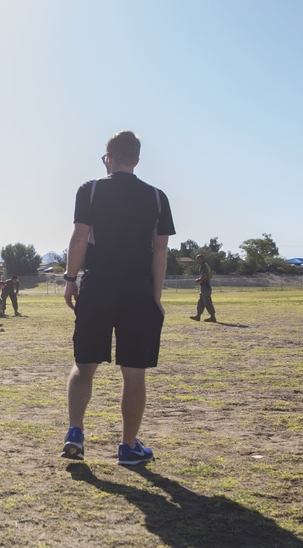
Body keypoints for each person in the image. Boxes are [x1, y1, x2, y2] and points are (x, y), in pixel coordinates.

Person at [61, 131, 175, 466]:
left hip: (97, 288)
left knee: (84, 366)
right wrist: (155, 296)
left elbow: (79, 238)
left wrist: (71, 280)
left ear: (108, 157)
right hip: (138, 290)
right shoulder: (157, 197)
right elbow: (160, 251)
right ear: (136, 160)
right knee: (134, 373)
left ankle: (75, 434)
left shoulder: (90, 190)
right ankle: (127, 447)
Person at [190, 254, 216, 322]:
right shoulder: (206, 265)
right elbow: (210, 275)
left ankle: (212, 317)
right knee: (201, 302)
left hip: (205, 286)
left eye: (198, 259)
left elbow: (204, 276)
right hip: (205, 285)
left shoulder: (203, 266)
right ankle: (198, 316)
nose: (197, 260)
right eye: (197, 259)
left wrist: (198, 280)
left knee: (207, 302)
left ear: (202, 259)